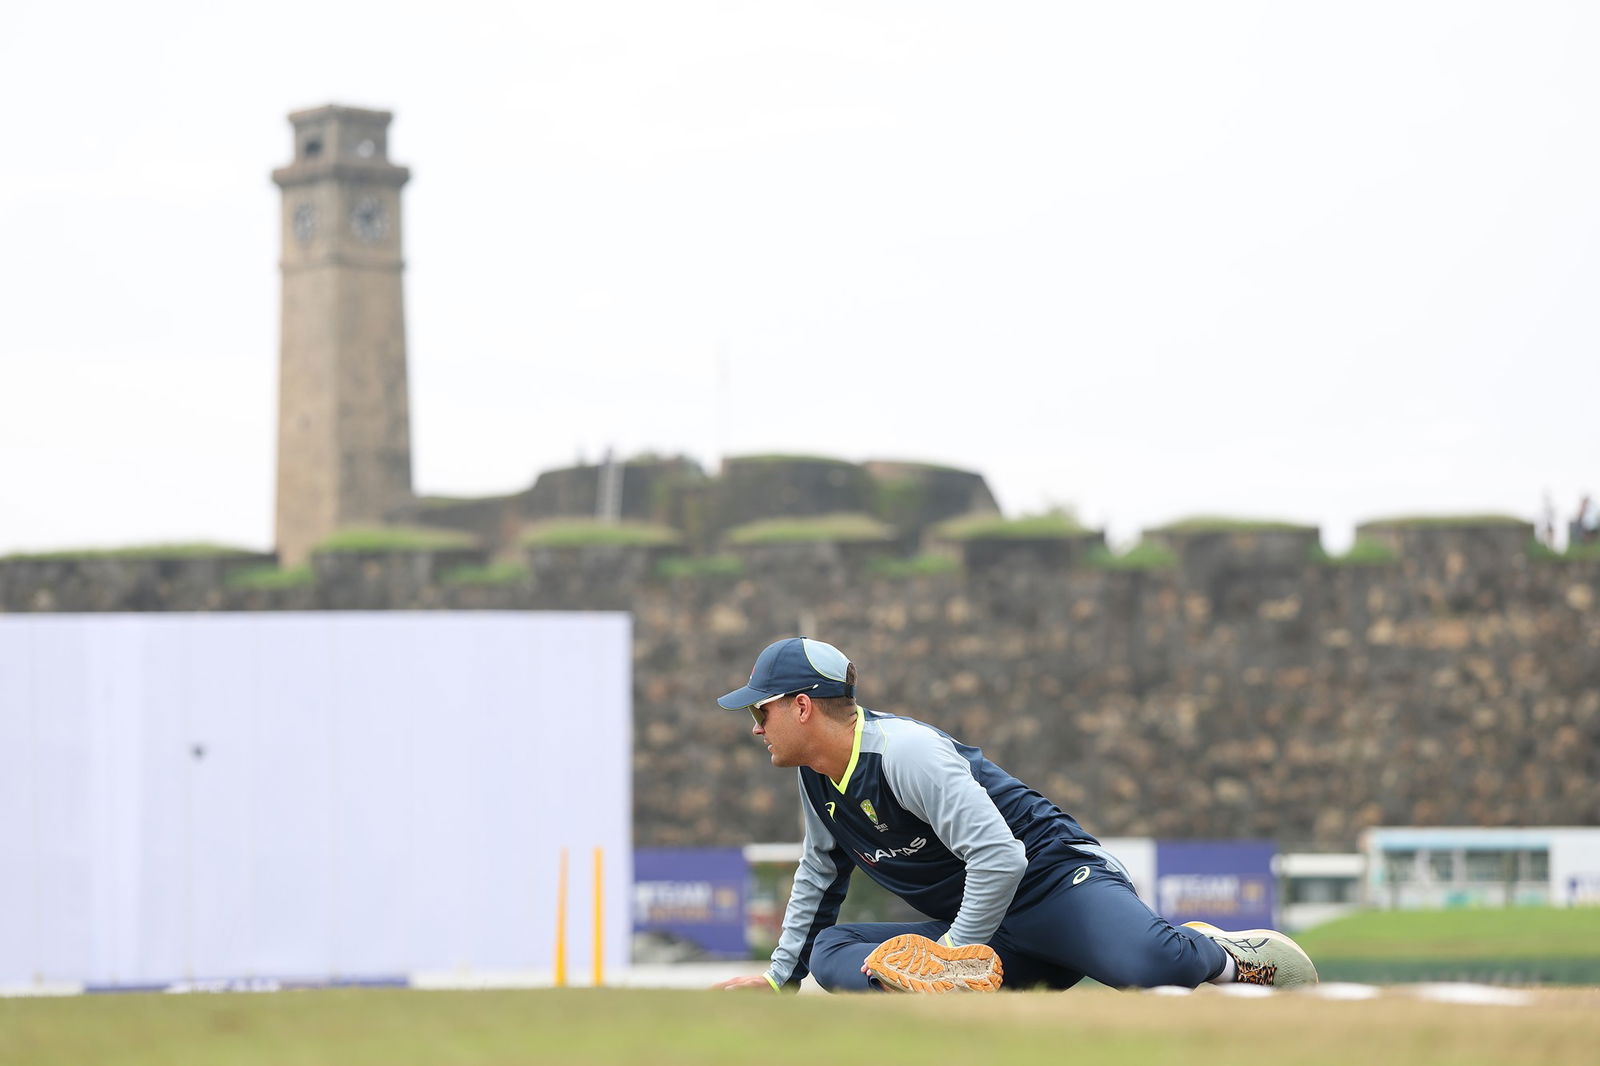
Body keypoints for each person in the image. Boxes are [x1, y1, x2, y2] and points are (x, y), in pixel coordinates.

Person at [711, 636, 1318, 994]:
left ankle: (1225, 952)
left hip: (1057, 885)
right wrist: (777, 983)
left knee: (1148, 967)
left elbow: (1002, 857)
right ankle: (950, 988)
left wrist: (954, 955)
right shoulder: (815, 779)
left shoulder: (906, 754)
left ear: (801, 707)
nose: (756, 726)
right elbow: (820, 878)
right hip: (989, 937)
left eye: (759, 712)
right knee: (830, 951)